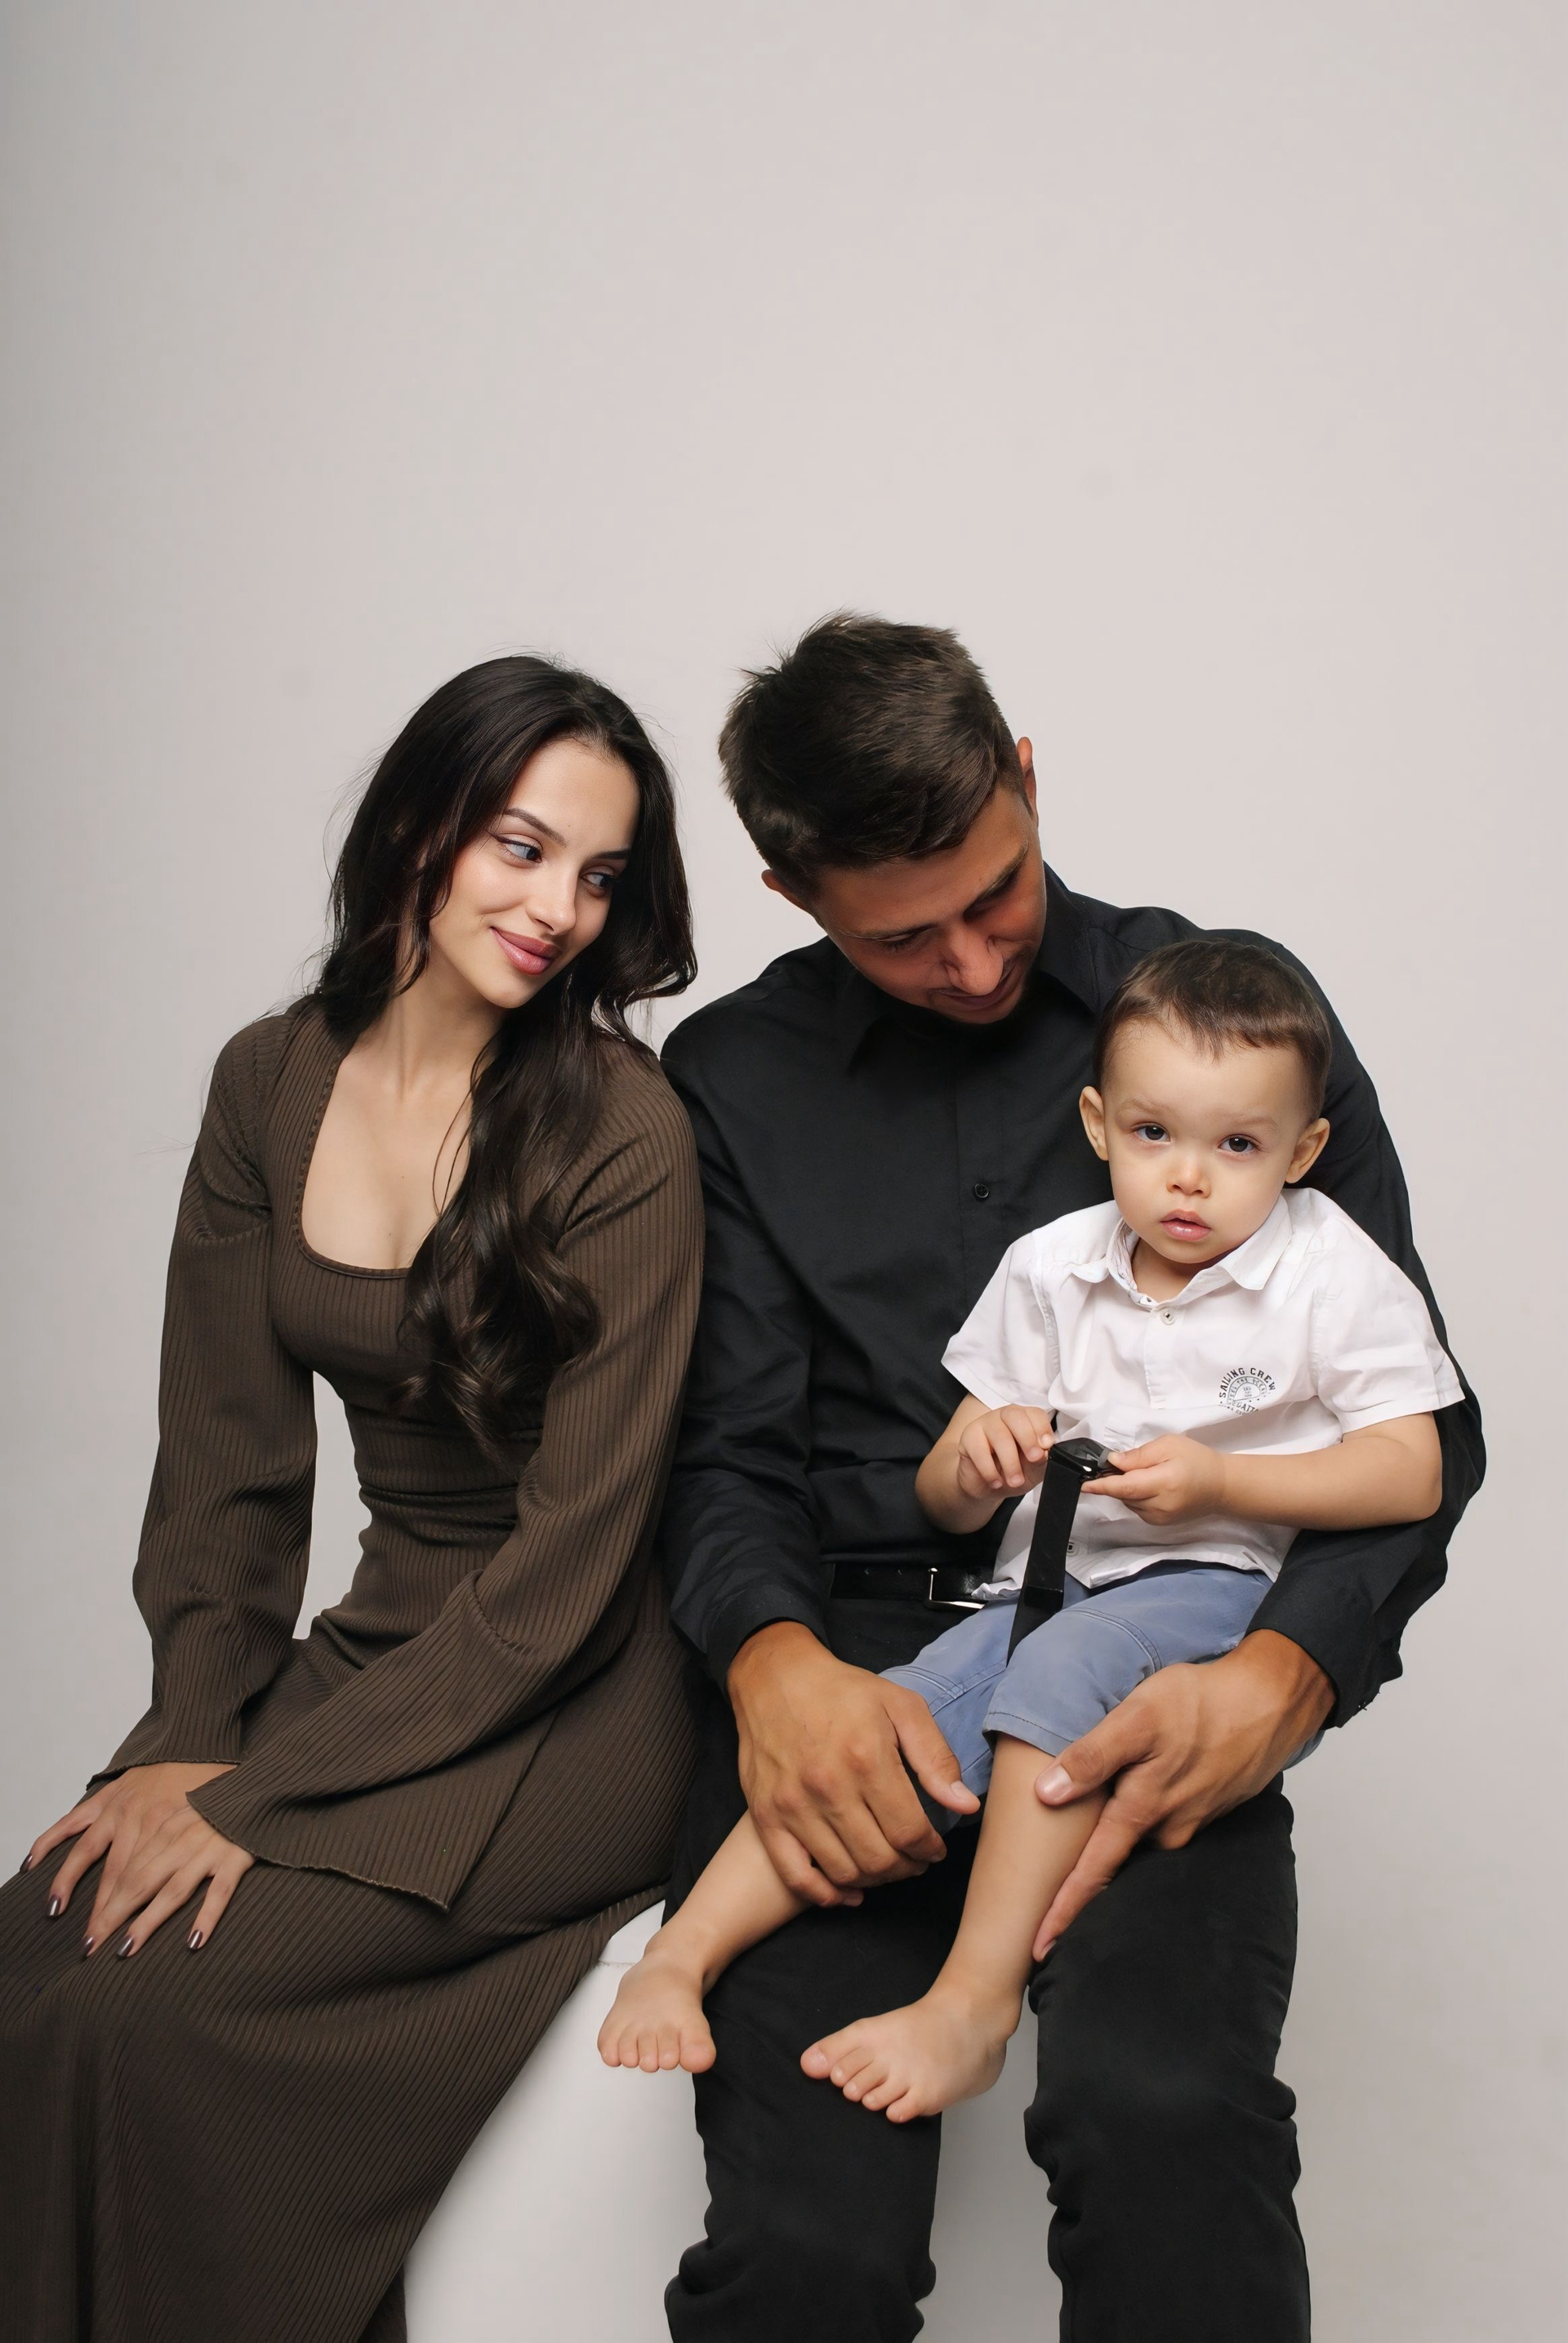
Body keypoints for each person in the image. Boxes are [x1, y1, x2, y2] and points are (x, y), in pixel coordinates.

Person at [653, 616, 1482, 2341]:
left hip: (1165, 1653)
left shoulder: (1232, 1021)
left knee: (1165, 2127)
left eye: (998, 895)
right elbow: (725, 1453)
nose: (970, 964)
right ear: (791, 892)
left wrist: (1287, 1672)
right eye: (903, 937)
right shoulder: (729, 1081)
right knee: (806, 2247)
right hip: (859, 1676)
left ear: (1026, 779)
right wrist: (773, 1669)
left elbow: (1419, 1425)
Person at [0, 656, 704, 2343]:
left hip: (583, 1695)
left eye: (600, 875)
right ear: (419, 825)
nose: (558, 910)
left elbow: (568, 1573)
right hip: (386, 1649)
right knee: (33, 1961)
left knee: (151, 2021)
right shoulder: (269, 1080)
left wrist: (259, 1798)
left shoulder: (624, 1128)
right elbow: (227, 1473)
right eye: (522, 848)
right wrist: (188, 1739)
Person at [599, 934, 1460, 2126]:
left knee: (1060, 1668)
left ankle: (974, 2003)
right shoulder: (1052, 1267)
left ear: (1303, 1153)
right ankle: (680, 1953)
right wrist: (979, 1461)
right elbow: (946, 1496)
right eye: (1154, 1134)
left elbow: (1412, 1474)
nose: (1189, 1180)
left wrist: (1224, 1480)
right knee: (890, 1725)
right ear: (1099, 1125)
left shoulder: (1328, 1265)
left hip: (1211, 1589)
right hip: (1040, 1586)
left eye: (1238, 1146)